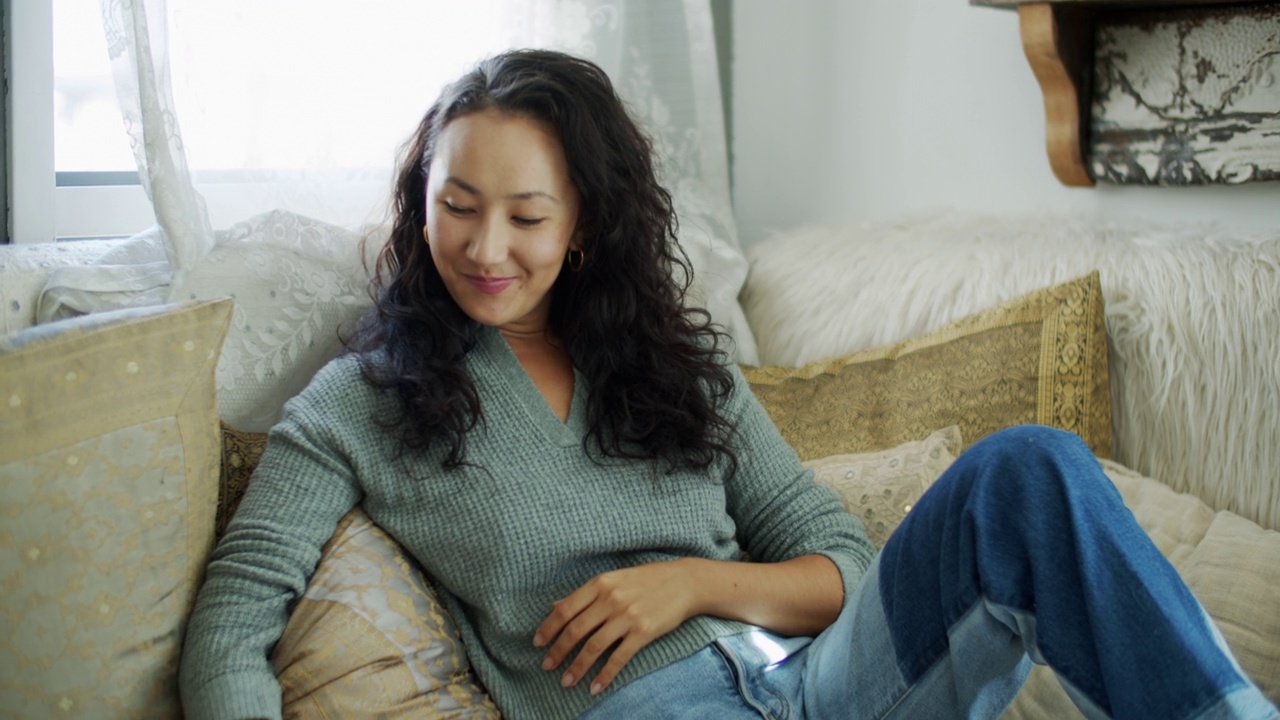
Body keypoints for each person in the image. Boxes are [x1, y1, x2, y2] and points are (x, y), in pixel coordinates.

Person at [178, 49, 1279, 720]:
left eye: (526, 215)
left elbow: (843, 561)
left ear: (585, 224)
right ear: (420, 197)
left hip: (828, 685)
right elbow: (234, 614)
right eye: (456, 203)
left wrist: (696, 587)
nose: (484, 246)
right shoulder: (363, 401)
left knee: (1027, 469)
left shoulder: (680, 371)